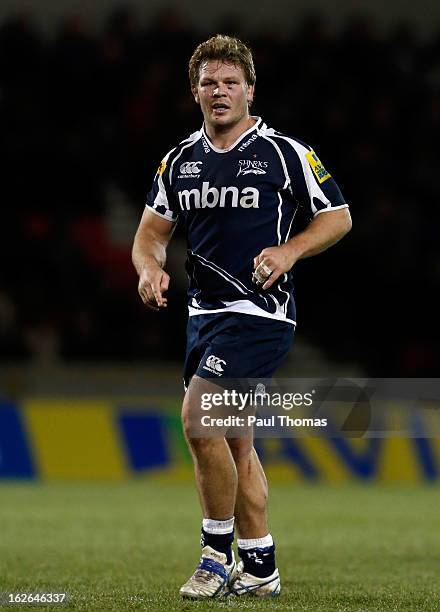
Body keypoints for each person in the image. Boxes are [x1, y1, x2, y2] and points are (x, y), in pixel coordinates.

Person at [132, 34, 351, 599]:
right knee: (234, 443)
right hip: (202, 316)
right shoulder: (179, 160)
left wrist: (289, 250)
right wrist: (148, 270)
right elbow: (150, 237)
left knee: (198, 416)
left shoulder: (284, 152)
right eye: (209, 83)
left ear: (250, 90)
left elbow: (339, 217)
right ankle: (260, 567)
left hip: (260, 313)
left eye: (231, 82)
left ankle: (214, 555)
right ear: (195, 93)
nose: (220, 91)